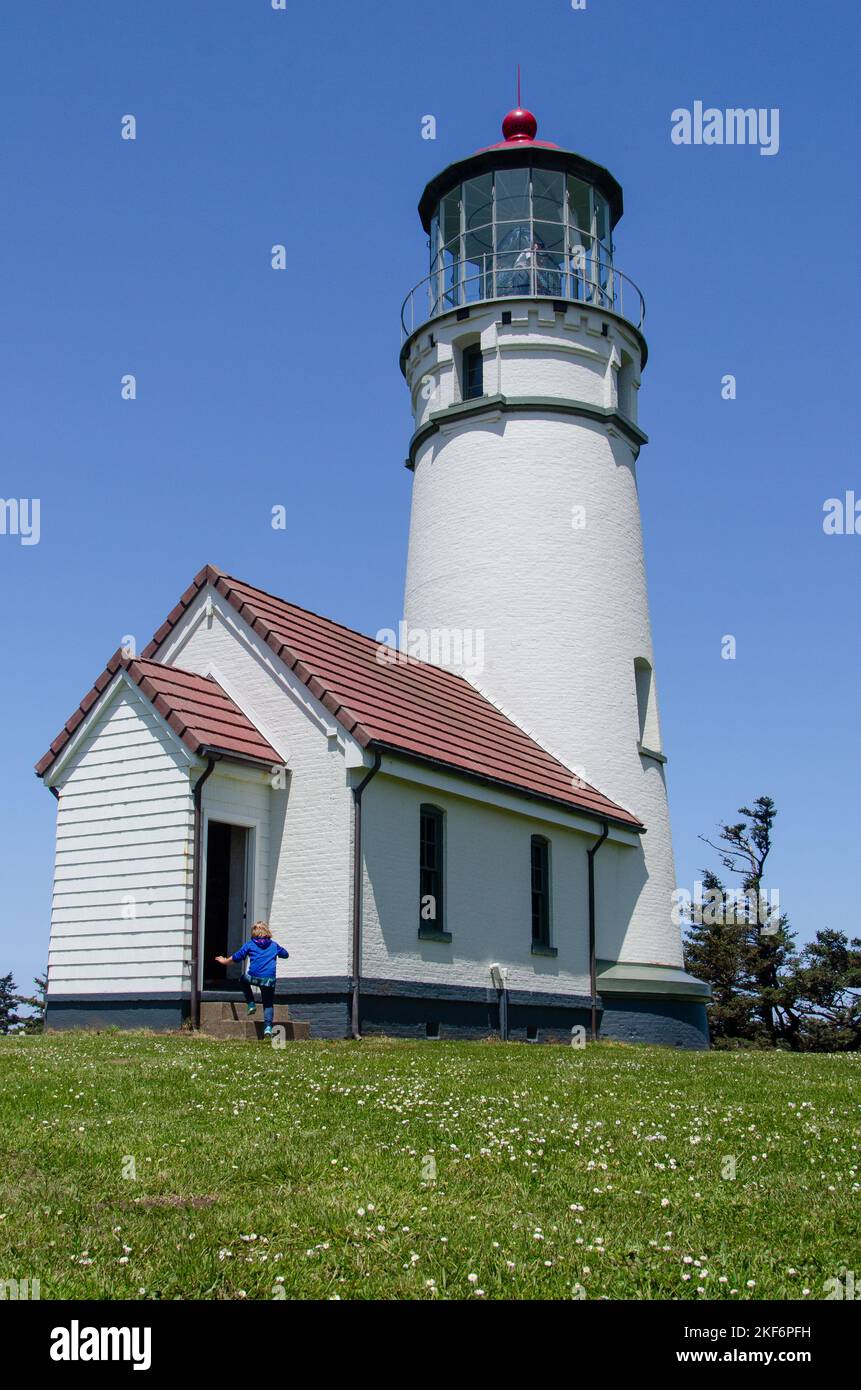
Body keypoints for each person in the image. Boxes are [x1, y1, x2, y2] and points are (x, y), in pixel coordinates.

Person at [214, 921, 288, 1039]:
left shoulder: (250, 945)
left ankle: (251, 1003)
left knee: (243, 980)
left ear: (253, 933)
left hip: (253, 977)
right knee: (268, 1003)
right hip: (268, 981)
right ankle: (268, 1027)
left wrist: (224, 961)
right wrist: (278, 951)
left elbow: (236, 958)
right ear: (267, 932)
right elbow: (286, 954)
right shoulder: (274, 945)